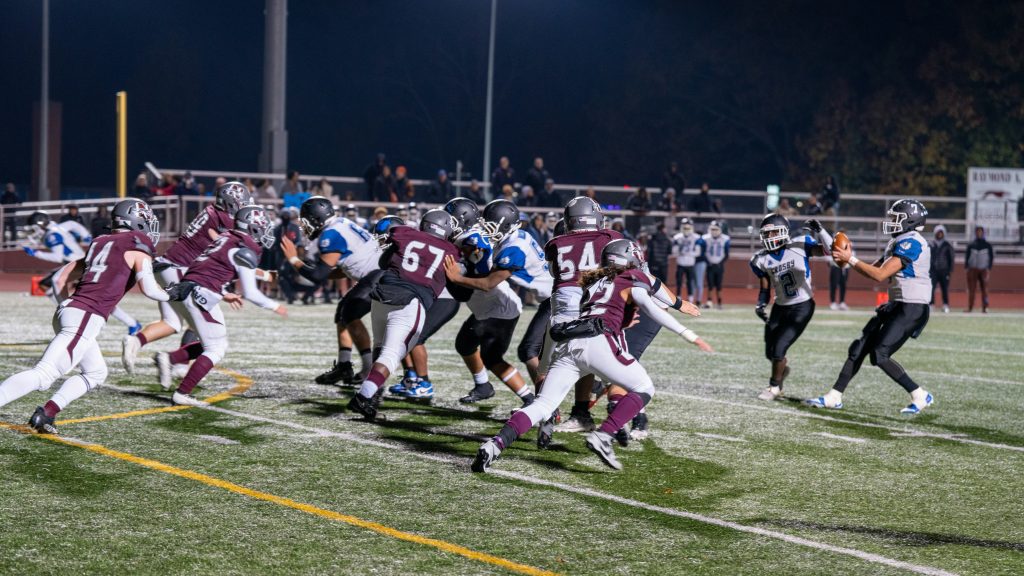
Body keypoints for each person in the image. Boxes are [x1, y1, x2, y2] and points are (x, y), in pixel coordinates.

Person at [472, 239, 711, 472]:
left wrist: (545, 369)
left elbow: (595, 314)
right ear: (631, 259)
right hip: (600, 342)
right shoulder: (632, 276)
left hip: (570, 345)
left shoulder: (592, 283)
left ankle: (495, 444)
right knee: (644, 387)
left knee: (543, 404)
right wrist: (688, 334)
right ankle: (604, 435)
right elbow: (648, 305)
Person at [0, 199, 192, 432]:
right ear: (136, 221)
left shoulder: (100, 242)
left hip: (71, 311)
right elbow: (150, 289)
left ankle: (47, 413)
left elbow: (61, 277)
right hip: (84, 315)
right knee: (44, 375)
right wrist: (172, 294)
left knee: (96, 372)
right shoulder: (137, 242)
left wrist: (67, 307)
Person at [807, 199, 934, 414]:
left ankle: (920, 394)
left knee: (879, 354)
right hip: (897, 304)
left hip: (912, 307)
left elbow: (879, 275)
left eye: (897, 218)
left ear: (910, 221)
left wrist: (851, 258)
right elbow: (865, 268)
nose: (892, 221)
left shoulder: (912, 242)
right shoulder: (898, 241)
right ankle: (834, 396)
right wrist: (826, 237)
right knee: (860, 346)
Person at [157, 206, 287, 405]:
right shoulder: (244, 248)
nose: (266, 231)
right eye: (263, 226)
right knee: (216, 348)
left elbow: (209, 268)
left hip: (188, 288)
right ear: (253, 227)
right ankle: (182, 393)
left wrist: (224, 293)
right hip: (201, 293)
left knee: (213, 342)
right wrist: (274, 306)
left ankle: (171, 358)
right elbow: (251, 292)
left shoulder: (226, 237)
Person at [121, 182, 254, 374]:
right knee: (205, 328)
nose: (244, 207)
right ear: (231, 203)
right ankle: (179, 365)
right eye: (241, 203)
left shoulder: (213, 212)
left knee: (172, 323)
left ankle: (135, 341)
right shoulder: (225, 219)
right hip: (179, 269)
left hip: (169, 268)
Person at [346, 209, 461, 421]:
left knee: (380, 350)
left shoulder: (405, 233)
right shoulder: (451, 250)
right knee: (392, 355)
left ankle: (370, 401)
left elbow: (384, 262)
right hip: (410, 301)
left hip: (382, 296)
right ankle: (364, 396)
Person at [446, 200, 553, 394]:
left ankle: (546, 405)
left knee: (528, 351)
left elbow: (487, 284)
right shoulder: (517, 237)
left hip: (553, 301)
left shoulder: (513, 248)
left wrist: (456, 278)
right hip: (550, 298)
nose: (487, 231)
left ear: (507, 226)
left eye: (491, 227)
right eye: (485, 224)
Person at [281, 196, 383, 385]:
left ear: (316, 218)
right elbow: (336, 269)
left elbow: (318, 276)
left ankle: (369, 370)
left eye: (305, 221)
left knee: (350, 314)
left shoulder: (330, 235)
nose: (303, 226)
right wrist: (317, 271)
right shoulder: (340, 223)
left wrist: (294, 260)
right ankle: (344, 366)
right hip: (376, 273)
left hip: (378, 276)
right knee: (342, 313)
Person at [547, 197, 623, 436]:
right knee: (614, 359)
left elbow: (553, 272)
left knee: (559, 361)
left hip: (568, 305)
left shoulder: (556, 243)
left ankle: (550, 413)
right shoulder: (611, 237)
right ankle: (614, 414)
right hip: (602, 305)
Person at [750, 215, 832, 401]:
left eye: (773, 232)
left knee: (779, 349)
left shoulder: (799, 245)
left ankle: (774, 387)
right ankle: (781, 371)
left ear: (783, 231)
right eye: (766, 233)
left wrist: (821, 231)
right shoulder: (760, 259)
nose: (769, 236)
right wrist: (761, 303)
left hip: (802, 306)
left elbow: (830, 251)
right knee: (770, 352)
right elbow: (765, 287)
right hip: (779, 307)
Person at [671, 217, 705, 302]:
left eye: (688, 227)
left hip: (690, 263)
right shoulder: (677, 237)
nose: (686, 229)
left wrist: (688, 253)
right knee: (679, 282)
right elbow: (674, 251)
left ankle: (690, 298)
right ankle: (678, 297)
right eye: (684, 227)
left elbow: (698, 252)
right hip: (680, 263)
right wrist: (680, 251)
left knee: (690, 282)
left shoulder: (696, 237)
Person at [965, 226, 993, 313]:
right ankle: (970, 307)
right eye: (977, 231)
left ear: (983, 233)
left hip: (983, 270)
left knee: (985, 290)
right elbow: (967, 257)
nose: (979, 233)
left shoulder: (987, 245)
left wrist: (988, 268)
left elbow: (991, 257)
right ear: (975, 233)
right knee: (972, 290)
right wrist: (967, 268)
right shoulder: (971, 245)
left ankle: (985, 308)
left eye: (981, 232)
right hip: (973, 270)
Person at [702, 220, 730, 309]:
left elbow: (726, 254)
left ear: (720, 230)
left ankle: (719, 302)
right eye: (712, 229)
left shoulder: (725, 239)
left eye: (716, 229)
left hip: (719, 266)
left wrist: (720, 263)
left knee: (718, 285)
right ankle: (709, 301)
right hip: (710, 265)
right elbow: (703, 252)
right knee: (710, 284)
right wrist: (708, 262)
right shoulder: (705, 238)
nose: (714, 231)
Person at [929, 224, 953, 313]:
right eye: (938, 232)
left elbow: (951, 258)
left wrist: (949, 270)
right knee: (931, 288)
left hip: (944, 271)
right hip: (933, 271)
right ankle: (931, 304)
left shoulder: (947, 245)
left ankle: (945, 305)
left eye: (941, 233)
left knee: (944, 288)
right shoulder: (931, 244)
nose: (939, 234)